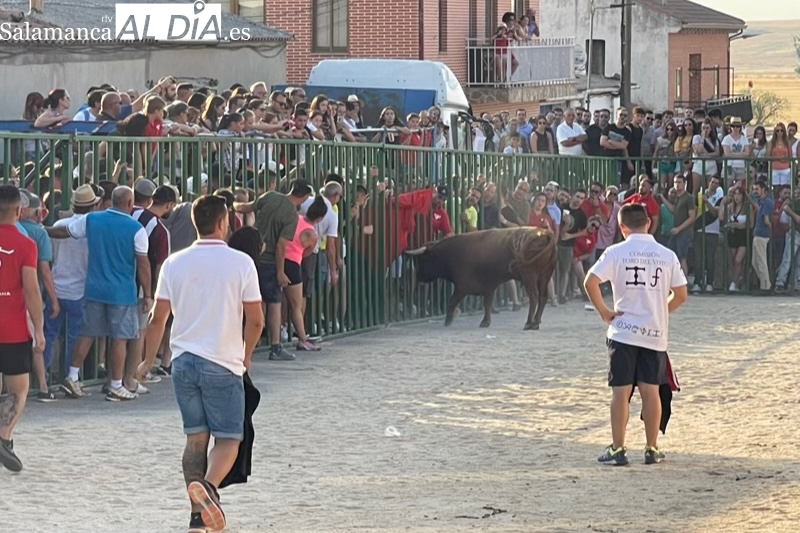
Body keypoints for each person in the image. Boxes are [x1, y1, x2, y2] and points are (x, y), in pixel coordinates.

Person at [140, 195, 264, 533]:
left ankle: (197, 516)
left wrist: (147, 361)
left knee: (195, 439)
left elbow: (157, 319)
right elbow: (256, 320)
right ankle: (208, 489)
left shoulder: (174, 263)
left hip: (183, 361)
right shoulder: (240, 263)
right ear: (223, 223)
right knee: (228, 439)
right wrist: (247, 353)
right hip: (222, 360)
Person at [584, 203, 688, 466]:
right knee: (650, 391)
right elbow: (682, 294)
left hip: (623, 332)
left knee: (620, 393)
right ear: (648, 223)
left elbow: (590, 281)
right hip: (654, 332)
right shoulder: (666, 254)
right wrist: (661, 310)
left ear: (622, 227)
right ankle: (651, 448)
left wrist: (604, 312)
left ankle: (618, 449)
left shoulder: (616, 252)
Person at [47, 186, 151, 402]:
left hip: (94, 288)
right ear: (130, 203)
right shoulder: (136, 229)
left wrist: (40, 229)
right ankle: (115, 384)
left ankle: (72, 376)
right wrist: (148, 293)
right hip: (121, 292)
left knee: (87, 333)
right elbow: (143, 265)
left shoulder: (92, 220)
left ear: (110, 201)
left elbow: (64, 232)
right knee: (119, 339)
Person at [233, 179, 312, 361]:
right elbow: (281, 245)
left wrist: (232, 203)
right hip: (269, 260)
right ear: (305, 196)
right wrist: (281, 271)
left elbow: (247, 207)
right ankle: (275, 346)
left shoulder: (270, 196)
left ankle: (245, 342)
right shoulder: (291, 215)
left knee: (250, 301)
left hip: (252, 255)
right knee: (274, 303)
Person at [0, 185, 45, 472]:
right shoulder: (26, 244)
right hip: (12, 328)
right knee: (18, 389)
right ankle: (4, 437)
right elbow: (31, 290)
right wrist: (38, 328)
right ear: (19, 210)